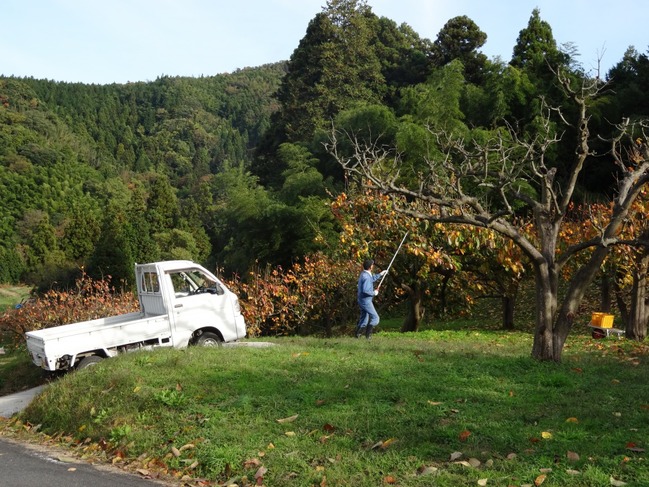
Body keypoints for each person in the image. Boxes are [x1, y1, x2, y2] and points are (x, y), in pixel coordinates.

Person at [355, 258, 387, 339]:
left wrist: (380, 274)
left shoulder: (364, 274)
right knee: (376, 318)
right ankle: (368, 335)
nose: (373, 266)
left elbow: (371, 279)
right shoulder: (366, 277)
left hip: (362, 300)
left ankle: (357, 335)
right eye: (372, 265)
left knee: (364, 319)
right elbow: (365, 290)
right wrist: (374, 293)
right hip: (366, 301)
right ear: (370, 267)